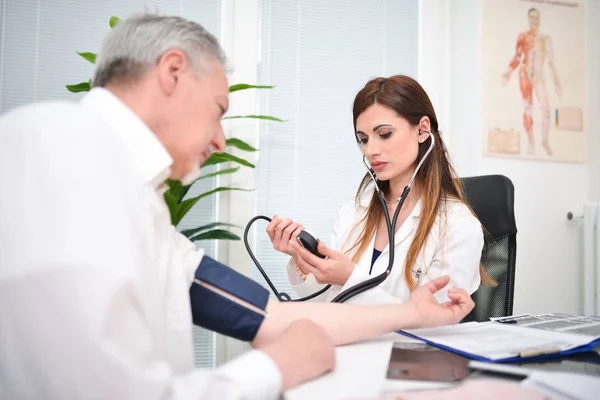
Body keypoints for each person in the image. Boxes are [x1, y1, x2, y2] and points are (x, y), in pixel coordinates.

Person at [0, 14, 475, 400]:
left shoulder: (136, 203)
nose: (220, 140)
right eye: (219, 110)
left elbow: (266, 315)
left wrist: (412, 313)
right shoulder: (55, 147)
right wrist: (275, 367)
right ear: (172, 73)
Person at [268, 75, 494, 306]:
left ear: (422, 130)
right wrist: (303, 261)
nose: (371, 150)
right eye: (363, 139)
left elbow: (433, 318)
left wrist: (350, 279)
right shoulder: (353, 213)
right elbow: (328, 307)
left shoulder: (457, 225)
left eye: (384, 134)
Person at [501, 7, 562, 156]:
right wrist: (508, 73)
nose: (535, 20)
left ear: (540, 19)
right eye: (532, 18)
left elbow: (551, 62)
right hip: (525, 76)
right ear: (529, 19)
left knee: (546, 109)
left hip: (539, 78)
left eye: (537, 17)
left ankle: (545, 140)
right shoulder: (523, 36)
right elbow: (517, 56)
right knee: (528, 108)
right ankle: (531, 140)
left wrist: (557, 82)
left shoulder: (546, 40)